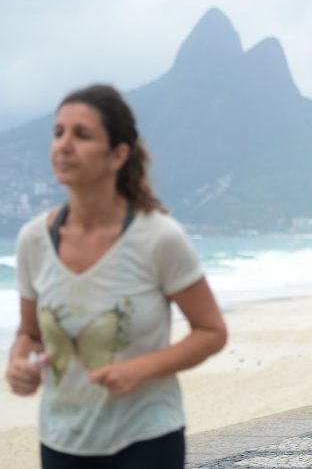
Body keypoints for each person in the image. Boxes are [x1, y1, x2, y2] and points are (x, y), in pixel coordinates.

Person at [4, 84, 228, 468]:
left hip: (146, 438)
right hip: (61, 441)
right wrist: (18, 364)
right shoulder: (33, 240)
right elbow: (29, 333)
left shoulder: (159, 237)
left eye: (82, 134)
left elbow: (211, 331)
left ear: (118, 155)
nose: (65, 145)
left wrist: (139, 369)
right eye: (58, 133)